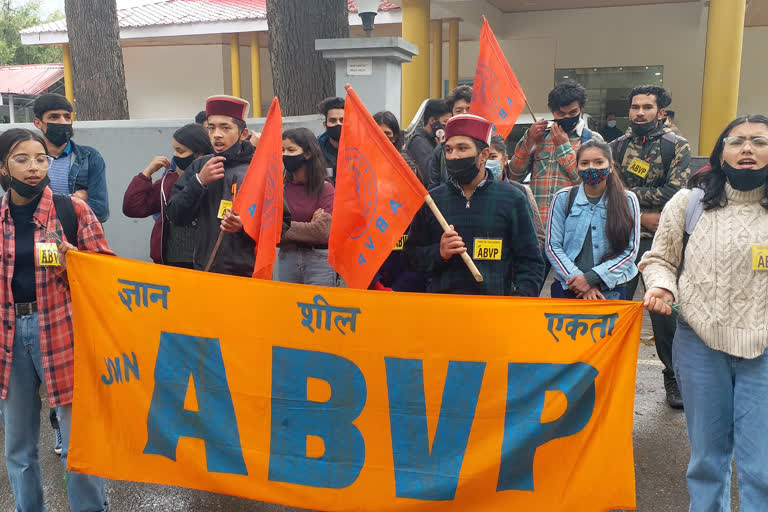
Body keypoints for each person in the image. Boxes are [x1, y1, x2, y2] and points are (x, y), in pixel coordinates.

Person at [640, 115, 768, 511]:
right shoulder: (689, 202)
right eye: (737, 141)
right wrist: (661, 285)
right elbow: (659, 258)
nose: (747, 149)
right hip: (700, 344)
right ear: (721, 152)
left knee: (761, 467)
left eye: (759, 142)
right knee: (707, 461)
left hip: (763, 352)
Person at [0, 128, 112, 512]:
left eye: (40, 159)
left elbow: (105, 276)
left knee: (78, 441)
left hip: (64, 330)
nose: (33, 168)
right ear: (2, 167)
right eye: (21, 159)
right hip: (9, 336)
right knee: (18, 446)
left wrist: (72, 262)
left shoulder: (72, 210)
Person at [610, 85, 691, 409]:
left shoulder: (676, 146)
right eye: (635, 107)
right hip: (623, 238)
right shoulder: (616, 146)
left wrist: (630, 195)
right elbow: (610, 188)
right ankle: (604, 373)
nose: (639, 112)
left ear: (660, 112)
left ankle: (673, 376)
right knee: (612, 308)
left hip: (663, 243)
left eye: (646, 107)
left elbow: (678, 190)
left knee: (664, 314)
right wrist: (642, 214)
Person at [403, 114, 545, 296]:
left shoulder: (512, 199)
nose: (454, 156)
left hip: (495, 312)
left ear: (483, 155)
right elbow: (410, 257)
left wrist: (518, 302)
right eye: (448, 149)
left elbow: (531, 262)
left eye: (462, 148)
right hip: (443, 310)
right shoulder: (433, 201)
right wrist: (439, 252)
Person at [168, 95, 270, 276]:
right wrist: (199, 182)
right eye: (211, 128)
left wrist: (245, 226)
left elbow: (281, 225)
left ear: (243, 134)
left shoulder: (259, 169)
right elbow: (176, 215)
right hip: (205, 269)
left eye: (225, 127)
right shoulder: (200, 167)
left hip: (247, 274)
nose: (217, 135)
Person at [546, 139, 640, 300]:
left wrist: (592, 278)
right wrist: (578, 280)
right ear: (577, 168)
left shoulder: (628, 199)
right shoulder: (563, 198)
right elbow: (552, 245)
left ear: (610, 167)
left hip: (612, 290)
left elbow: (631, 250)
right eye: (584, 163)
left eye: (598, 162)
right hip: (568, 287)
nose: (591, 168)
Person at [507, 80, 603, 227]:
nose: (567, 118)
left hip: (573, 226)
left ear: (581, 109)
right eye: (561, 113)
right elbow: (513, 176)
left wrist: (563, 147)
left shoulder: (592, 140)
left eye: (573, 113)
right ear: (552, 112)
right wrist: (529, 142)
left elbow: (593, 185)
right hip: (538, 225)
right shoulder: (539, 136)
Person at [122, 123, 213, 267]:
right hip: (170, 262)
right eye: (174, 150)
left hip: (205, 261)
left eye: (180, 151)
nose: (175, 156)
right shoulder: (170, 180)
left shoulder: (217, 178)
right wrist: (147, 173)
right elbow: (133, 207)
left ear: (199, 154)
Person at [370, 111, 427, 292]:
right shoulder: (362, 171)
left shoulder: (408, 165)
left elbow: (419, 249)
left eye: (386, 133)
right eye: (376, 132)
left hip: (406, 284)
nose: (381, 138)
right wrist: (375, 283)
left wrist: (400, 288)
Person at [32, 93, 109, 223]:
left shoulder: (90, 157)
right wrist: (74, 200)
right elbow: (25, 209)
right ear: (38, 123)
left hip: (81, 237)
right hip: (42, 239)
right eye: (54, 117)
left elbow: (101, 212)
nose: (63, 122)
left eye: (67, 117)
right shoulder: (29, 161)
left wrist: (49, 206)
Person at [278, 128, 336, 286]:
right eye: (282, 150)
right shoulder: (280, 189)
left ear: (308, 153)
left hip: (319, 262)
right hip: (287, 259)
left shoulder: (325, 189)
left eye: (291, 150)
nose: (285, 155)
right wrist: (309, 225)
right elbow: (272, 231)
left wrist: (285, 226)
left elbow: (321, 232)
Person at [491, 134, 546, 252]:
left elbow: (539, 237)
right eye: (483, 157)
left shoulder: (520, 192)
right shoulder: (472, 192)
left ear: (505, 159)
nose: (487, 162)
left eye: (492, 157)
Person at [427, 85, 474, 189]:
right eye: (459, 110)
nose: (464, 114)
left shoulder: (489, 144)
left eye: (469, 109)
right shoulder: (440, 151)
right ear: (451, 115)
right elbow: (433, 187)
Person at [406, 98, 451, 182]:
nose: (447, 126)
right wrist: (440, 150)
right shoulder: (418, 142)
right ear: (432, 121)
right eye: (445, 121)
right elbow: (429, 175)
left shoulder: (436, 140)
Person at [317, 96, 345, 179]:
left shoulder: (359, 149)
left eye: (342, 120)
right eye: (333, 121)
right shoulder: (315, 150)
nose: (338, 124)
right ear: (325, 125)